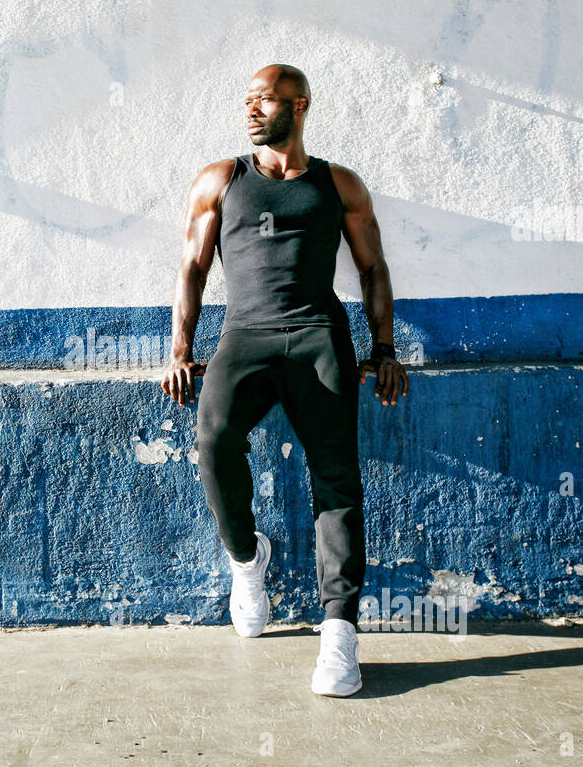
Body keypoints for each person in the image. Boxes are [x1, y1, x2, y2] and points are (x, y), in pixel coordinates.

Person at [160, 64, 409, 696]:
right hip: (245, 338)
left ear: (299, 106)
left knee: (337, 479)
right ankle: (247, 560)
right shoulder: (222, 179)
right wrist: (181, 348)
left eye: (263, 100)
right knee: (213, 445)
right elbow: (191, 264)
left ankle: (339, 636)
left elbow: (373, 267)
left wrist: (383, 347)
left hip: (320, 339)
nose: (250, 110)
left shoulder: (339, 184)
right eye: (245, 100)